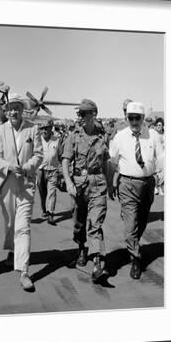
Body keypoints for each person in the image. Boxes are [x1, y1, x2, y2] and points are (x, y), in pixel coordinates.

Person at [0, 94, 43, 291]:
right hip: (7, 183)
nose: (14, 111)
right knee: (11, 224)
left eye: (17, 108)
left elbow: (39, 154)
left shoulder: (33, 128)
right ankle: (13, 251)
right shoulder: (0, 130)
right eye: (11, 108)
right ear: (7, 110)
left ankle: (24, 271)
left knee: (23, 227)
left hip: (27, 184)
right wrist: (10, 166)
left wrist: (28, 167)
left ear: (23, 110)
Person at [109, 102, 163, 279]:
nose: (133, 121)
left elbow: (161, 156)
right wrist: (112, 183)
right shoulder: (120, 137)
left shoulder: (153, 135)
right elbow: (113, 162)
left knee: (142, 220)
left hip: (147, 184)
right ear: (127, 118)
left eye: (137, 118)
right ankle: (136, 258)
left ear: (142, 119)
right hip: (127, 184)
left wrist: (162, 174)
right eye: (130, 118)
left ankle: (133, 245)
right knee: (130, 224)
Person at [61, 99, 110, 283]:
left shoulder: (103, 136)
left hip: (97, 183)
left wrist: (110, 185)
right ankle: (81, 246)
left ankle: (97, 264)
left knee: (95, 223)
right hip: (78, 184)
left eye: (83, 113)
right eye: (78, 114)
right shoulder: (73, 136)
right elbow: (65, 160)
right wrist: (68, 182)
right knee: (79, 223)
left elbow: (105, 161)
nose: (79, 117)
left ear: (93, 114)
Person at [36, 119, 60, 225]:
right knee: (42, 192)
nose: (44, 131)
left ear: (51, 128)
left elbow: (61, 155)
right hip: (40, 170)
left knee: (52, 192)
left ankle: (51, 214)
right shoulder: (37, 141)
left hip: (53, 170)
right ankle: (44, 210)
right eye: (42, 129)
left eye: (46, 128)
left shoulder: (57, 140)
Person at [154, 117, 165, 196]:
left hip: (163, 156)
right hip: (154, 156)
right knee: (155, 173)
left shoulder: (165, 135)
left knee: (162, 173)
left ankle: (160, 187)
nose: (158, 126)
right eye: (157, 125)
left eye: (160, 125)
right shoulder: (153, 134)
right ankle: (155, 187)